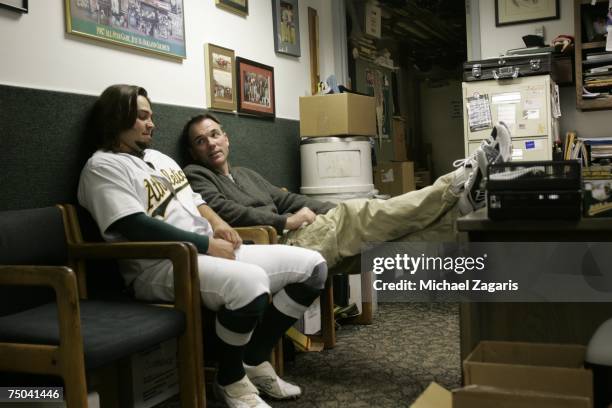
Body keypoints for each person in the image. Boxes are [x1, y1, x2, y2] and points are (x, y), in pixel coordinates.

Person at [78, 85, 328, 408]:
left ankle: (254, 358)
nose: (151, 123)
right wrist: (206, 245)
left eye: (151, 116)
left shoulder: (157, 158)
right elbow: (132, 224)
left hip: (207, 248)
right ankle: (229, 379)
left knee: (313, 267)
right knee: (251, 284)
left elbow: (196, 201)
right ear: (117, 118)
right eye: (141, 117)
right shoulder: (101, 167)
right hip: (161, 265)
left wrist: (220, 226)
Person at [181, 113, 512, 268]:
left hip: (306, 231)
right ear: (194, 152)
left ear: (227, 137)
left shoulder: (245, 173)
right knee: (361, 211)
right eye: (201, 141)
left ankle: (459, 211)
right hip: (278, 240)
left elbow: (287, 199)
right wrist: (286, 223)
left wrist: (326, 207)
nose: (210, 144)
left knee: (390, 243)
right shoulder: (195, 175)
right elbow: (226, 211)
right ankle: (453, 186)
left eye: (214, 134)